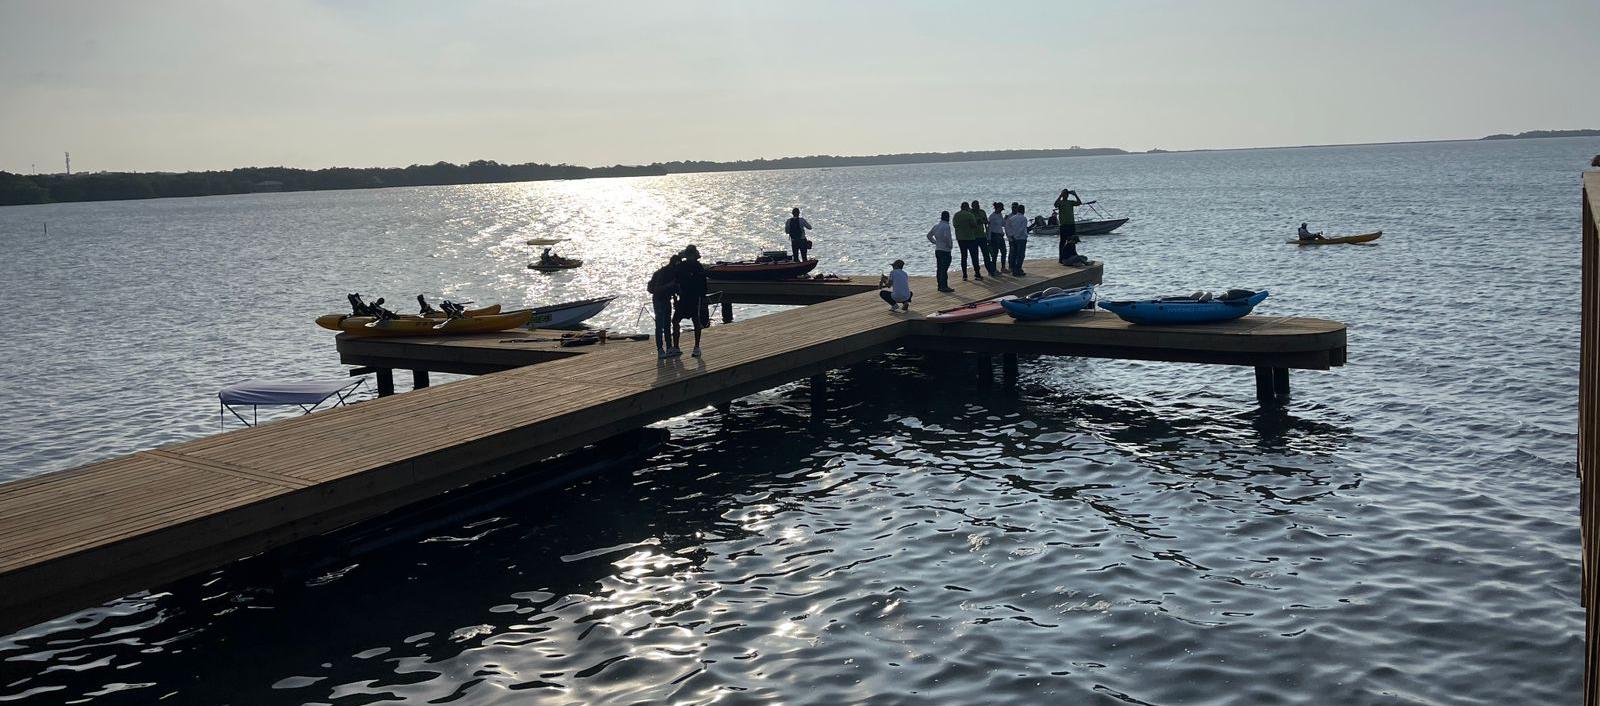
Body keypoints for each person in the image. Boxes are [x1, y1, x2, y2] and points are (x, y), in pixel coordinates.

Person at [673, 245, 709, 357]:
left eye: (690, 254)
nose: (689, 256)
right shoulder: (682, 266)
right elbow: (676, 281)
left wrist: (702, 297)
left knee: (696, 321)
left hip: (694, 297)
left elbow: (703, 284)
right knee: (675, 321)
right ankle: (676, 347)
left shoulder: (698, 267)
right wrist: (675, 297)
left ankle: (697, 346)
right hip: (683, 298)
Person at [648, 254, 682, 358]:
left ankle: (669, 348)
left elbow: (674, 289)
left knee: (667, 324)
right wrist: (670, 285)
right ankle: (660, 349)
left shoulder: (673, 272)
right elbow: (657, 289)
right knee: (659, 325)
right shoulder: (663, 273)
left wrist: (676, 300)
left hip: (667, 299)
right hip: (658, 299)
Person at [952, 202, 985, 281]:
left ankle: (964, 275)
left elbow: (955, 225)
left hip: (960, 238)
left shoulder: (956, 215)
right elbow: (974, 225)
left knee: (964, 256)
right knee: (974, 256)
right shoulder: (970, 215)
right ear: (967, 207)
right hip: (970, 238)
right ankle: (977, 274)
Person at [927, 210, 955, 292]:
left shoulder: (936, 226)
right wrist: (950, 245)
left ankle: (940, 285)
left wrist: (935, 242)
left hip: (938, 249)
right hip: (945, 250)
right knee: (944, 269)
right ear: (948, 217)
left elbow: (929, 236)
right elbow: (947, 237)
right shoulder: (946, 226)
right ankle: (944, 286)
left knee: (939, 269)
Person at [1054, 188, 1083, 264]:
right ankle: (1061, 257)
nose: (1065, 195)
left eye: (1066, 194)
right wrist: (1060, 195)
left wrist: (1075, 194)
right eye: (1064, 194)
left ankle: (1073, 255)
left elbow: (1079, 203)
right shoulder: (1060, 203)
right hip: (1063, 225)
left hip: (1071, 224)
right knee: (1062, 242)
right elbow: (1055, 204)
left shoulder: (1070, 202)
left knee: (1072, 241)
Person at [1004, 203, 1030, 276]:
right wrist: (1017, 235)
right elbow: (1022, 229)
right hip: (1021, 238)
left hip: (1013, 239)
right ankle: (1018, 269)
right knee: (1021, 255)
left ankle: (1013, 268)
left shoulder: (1012, 218)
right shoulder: (1024, 218)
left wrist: (1011, 236)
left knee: (1014, 254)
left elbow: (1007, 227)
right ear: (1023, 210)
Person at [987, 202, 1009, 274]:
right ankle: (994, 269)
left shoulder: (1000, 215)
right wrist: (989, 238)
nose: (1001, 210)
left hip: (1000, 235)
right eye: (1001, 209)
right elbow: (989, 228)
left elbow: (1002, 224)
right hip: (994, 235)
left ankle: (1003, 267)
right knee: (995, 253)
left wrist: (1005, 219)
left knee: (1004, 251)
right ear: (997, 208)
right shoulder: (992, 216)